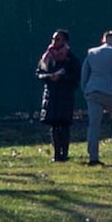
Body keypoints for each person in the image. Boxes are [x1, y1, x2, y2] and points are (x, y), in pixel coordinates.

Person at [81, 29, 112, 165]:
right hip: (110, 90)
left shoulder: (92, 52)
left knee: (94, 124)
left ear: (103, 39)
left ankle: (93, 157)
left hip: (93, 90)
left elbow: (85, 72)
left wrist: (86, 89)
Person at [36, 30, 81, 161]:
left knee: (64, 125)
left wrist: (62, 78)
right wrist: (50, 77)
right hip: (51, 95)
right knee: (54, 125)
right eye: (53, 39)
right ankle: (56, 155)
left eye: (58, 39)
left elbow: (76, 77)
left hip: (65, 96)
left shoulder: (70, 58)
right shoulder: (47, 57)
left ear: (65, 41)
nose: (54, 42)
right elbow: (39, 73)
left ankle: (65, 153)